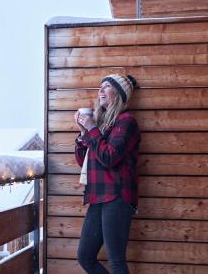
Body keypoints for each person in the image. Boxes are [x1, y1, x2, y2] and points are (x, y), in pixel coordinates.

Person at [73, 73, 141, 274]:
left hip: (118, 197)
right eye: (100, 86)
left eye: (107, 86)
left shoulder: (126, 122)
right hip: (98, 197)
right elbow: (83, 161)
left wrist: (92, 129)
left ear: (118, 94)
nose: (100, 90)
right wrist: (84, 133)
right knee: (85, 256)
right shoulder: (102, 125)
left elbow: (110, 157)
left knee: (116, 261)